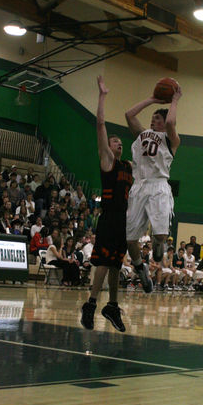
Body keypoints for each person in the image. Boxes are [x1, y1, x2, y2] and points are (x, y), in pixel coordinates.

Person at [81, 76, 132, 333]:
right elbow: (100, 124)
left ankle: (112, 305)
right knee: (103, 262)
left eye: (121, 142)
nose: (119, 143)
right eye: (115, 142)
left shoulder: (129, 166)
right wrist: (102, 95)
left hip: (124, 220)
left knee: (116, 264)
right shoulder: (108, 161)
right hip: (110, 217)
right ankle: (90, 303)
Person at [124, 84, 182, 292]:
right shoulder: (141, 134)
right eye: (153, 117)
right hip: (139, 186)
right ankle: (142, 271)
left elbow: (172, 121)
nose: (154, 120)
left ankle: (160, 245)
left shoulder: (171, 139)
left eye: (158, 118)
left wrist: (174, 100)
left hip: (158, 185)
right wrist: (152, 99)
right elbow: (129, 114)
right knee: (130, 240)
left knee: (159, 235)